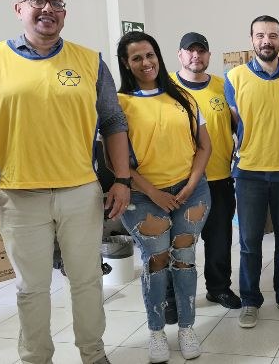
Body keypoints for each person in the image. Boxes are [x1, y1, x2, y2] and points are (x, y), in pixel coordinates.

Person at [0, 0, 130, 363]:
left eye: (57, 3)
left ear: (64, 13)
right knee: (31, 287)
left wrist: (122, 179)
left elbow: (114, 122)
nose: (48, 9)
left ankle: (93, 353)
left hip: (80, 193)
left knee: (86, 282)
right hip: (19, 196)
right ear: (19, 9)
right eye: (37, 1)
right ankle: (35, 358)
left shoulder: (89, 61)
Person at [115, 31, 211, 362]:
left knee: (184, 260)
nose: (146, 62)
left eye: (150, 54)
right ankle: (156, 332)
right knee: (156, 262)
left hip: (191, 191)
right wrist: (153, 192)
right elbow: (117, 163)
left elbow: (204, 146)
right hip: (143, 197)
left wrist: (190, 184)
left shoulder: (184, 97)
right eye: (137, 57)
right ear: (126, 64)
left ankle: (186, 327)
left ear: (159, 56)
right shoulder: (118, 104)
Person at [224, 15, 279, 328]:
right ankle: (249, 300)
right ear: (251, 39)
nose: (266, 41)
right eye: (260, 35)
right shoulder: (234, 77)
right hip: (249, 174)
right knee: (249, 242)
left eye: (273, 35)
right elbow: (230, 125)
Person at [172, 32, 241, 310]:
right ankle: (174, 297)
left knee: (220, 239)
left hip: (219, 179)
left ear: (209, 56)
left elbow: (239, 124)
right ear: (180, 55)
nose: (195, 56)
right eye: (190, 51)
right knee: (179, 242)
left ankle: (219, 288)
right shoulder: (168, 86)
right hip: (180, 182)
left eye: (201, 52)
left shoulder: (223, 87)